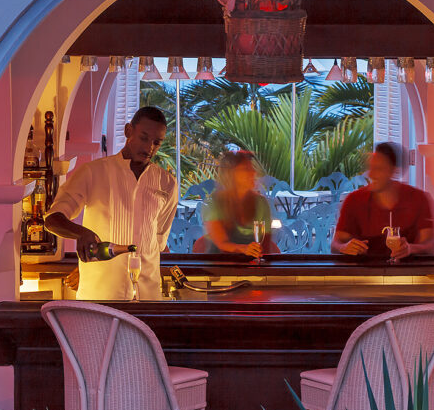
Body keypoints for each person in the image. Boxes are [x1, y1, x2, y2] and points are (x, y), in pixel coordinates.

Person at [44, 107, 178, 300]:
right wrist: (82, 233)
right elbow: (53, 219)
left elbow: (157, 242)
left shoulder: (167, 183)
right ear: (128, 131)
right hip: (100, 297)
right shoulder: (93, 172)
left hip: (148, 300)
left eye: (157, 142)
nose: (149, 147)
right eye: (144, 138)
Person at [331, 143, 434, 259]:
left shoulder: (418, 199)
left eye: (378, 169)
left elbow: (430, 245)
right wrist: (344, 247)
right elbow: (335, 244)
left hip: (407, 273)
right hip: (365, 273)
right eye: (370, 168)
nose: (371, 174)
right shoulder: (354, 200)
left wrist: (410, 248)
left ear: (394, 170)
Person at [201, 151, 275, 257]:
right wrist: (244, 249)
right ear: (230, 174)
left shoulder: (261, 203)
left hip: (252, 265)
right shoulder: (213, 203)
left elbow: (266, 247)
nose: (253, 173)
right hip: (218, 265)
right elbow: (222, 243)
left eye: (252, 168)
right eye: (246, 169)